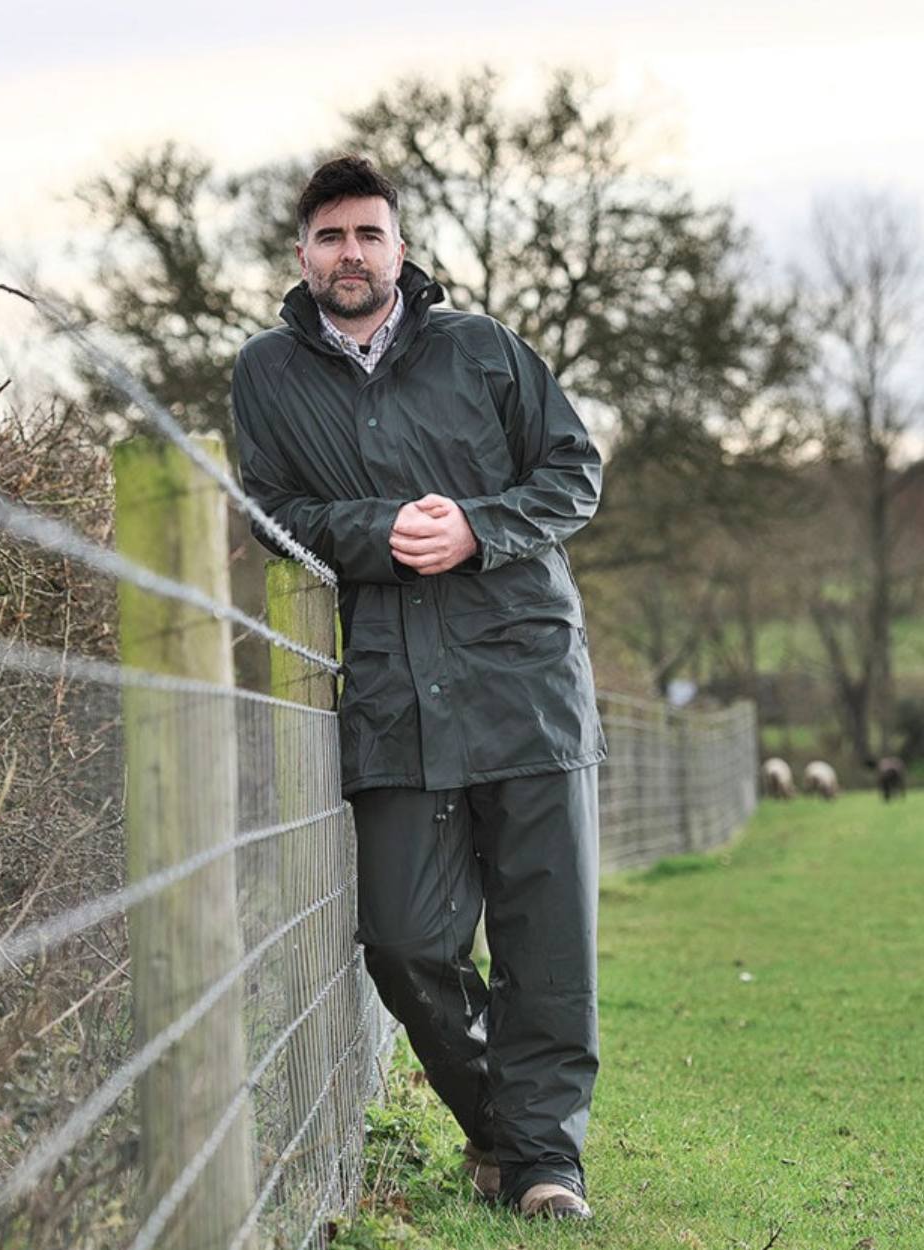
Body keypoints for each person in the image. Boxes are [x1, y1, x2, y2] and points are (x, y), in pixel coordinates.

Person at [232, 155, 606, 1221]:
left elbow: (572, 473)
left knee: (547, 947)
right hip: (395, 700)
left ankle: (545, 1166)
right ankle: (502, 1125)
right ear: (301, 254)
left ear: (399, 247)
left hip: (525, 681)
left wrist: (480, 526)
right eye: (329, 236)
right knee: (402, 939)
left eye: (368, 234)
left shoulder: (483, 348)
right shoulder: (265, 373)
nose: (350, 253)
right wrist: (377, 534)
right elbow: (269, 508)